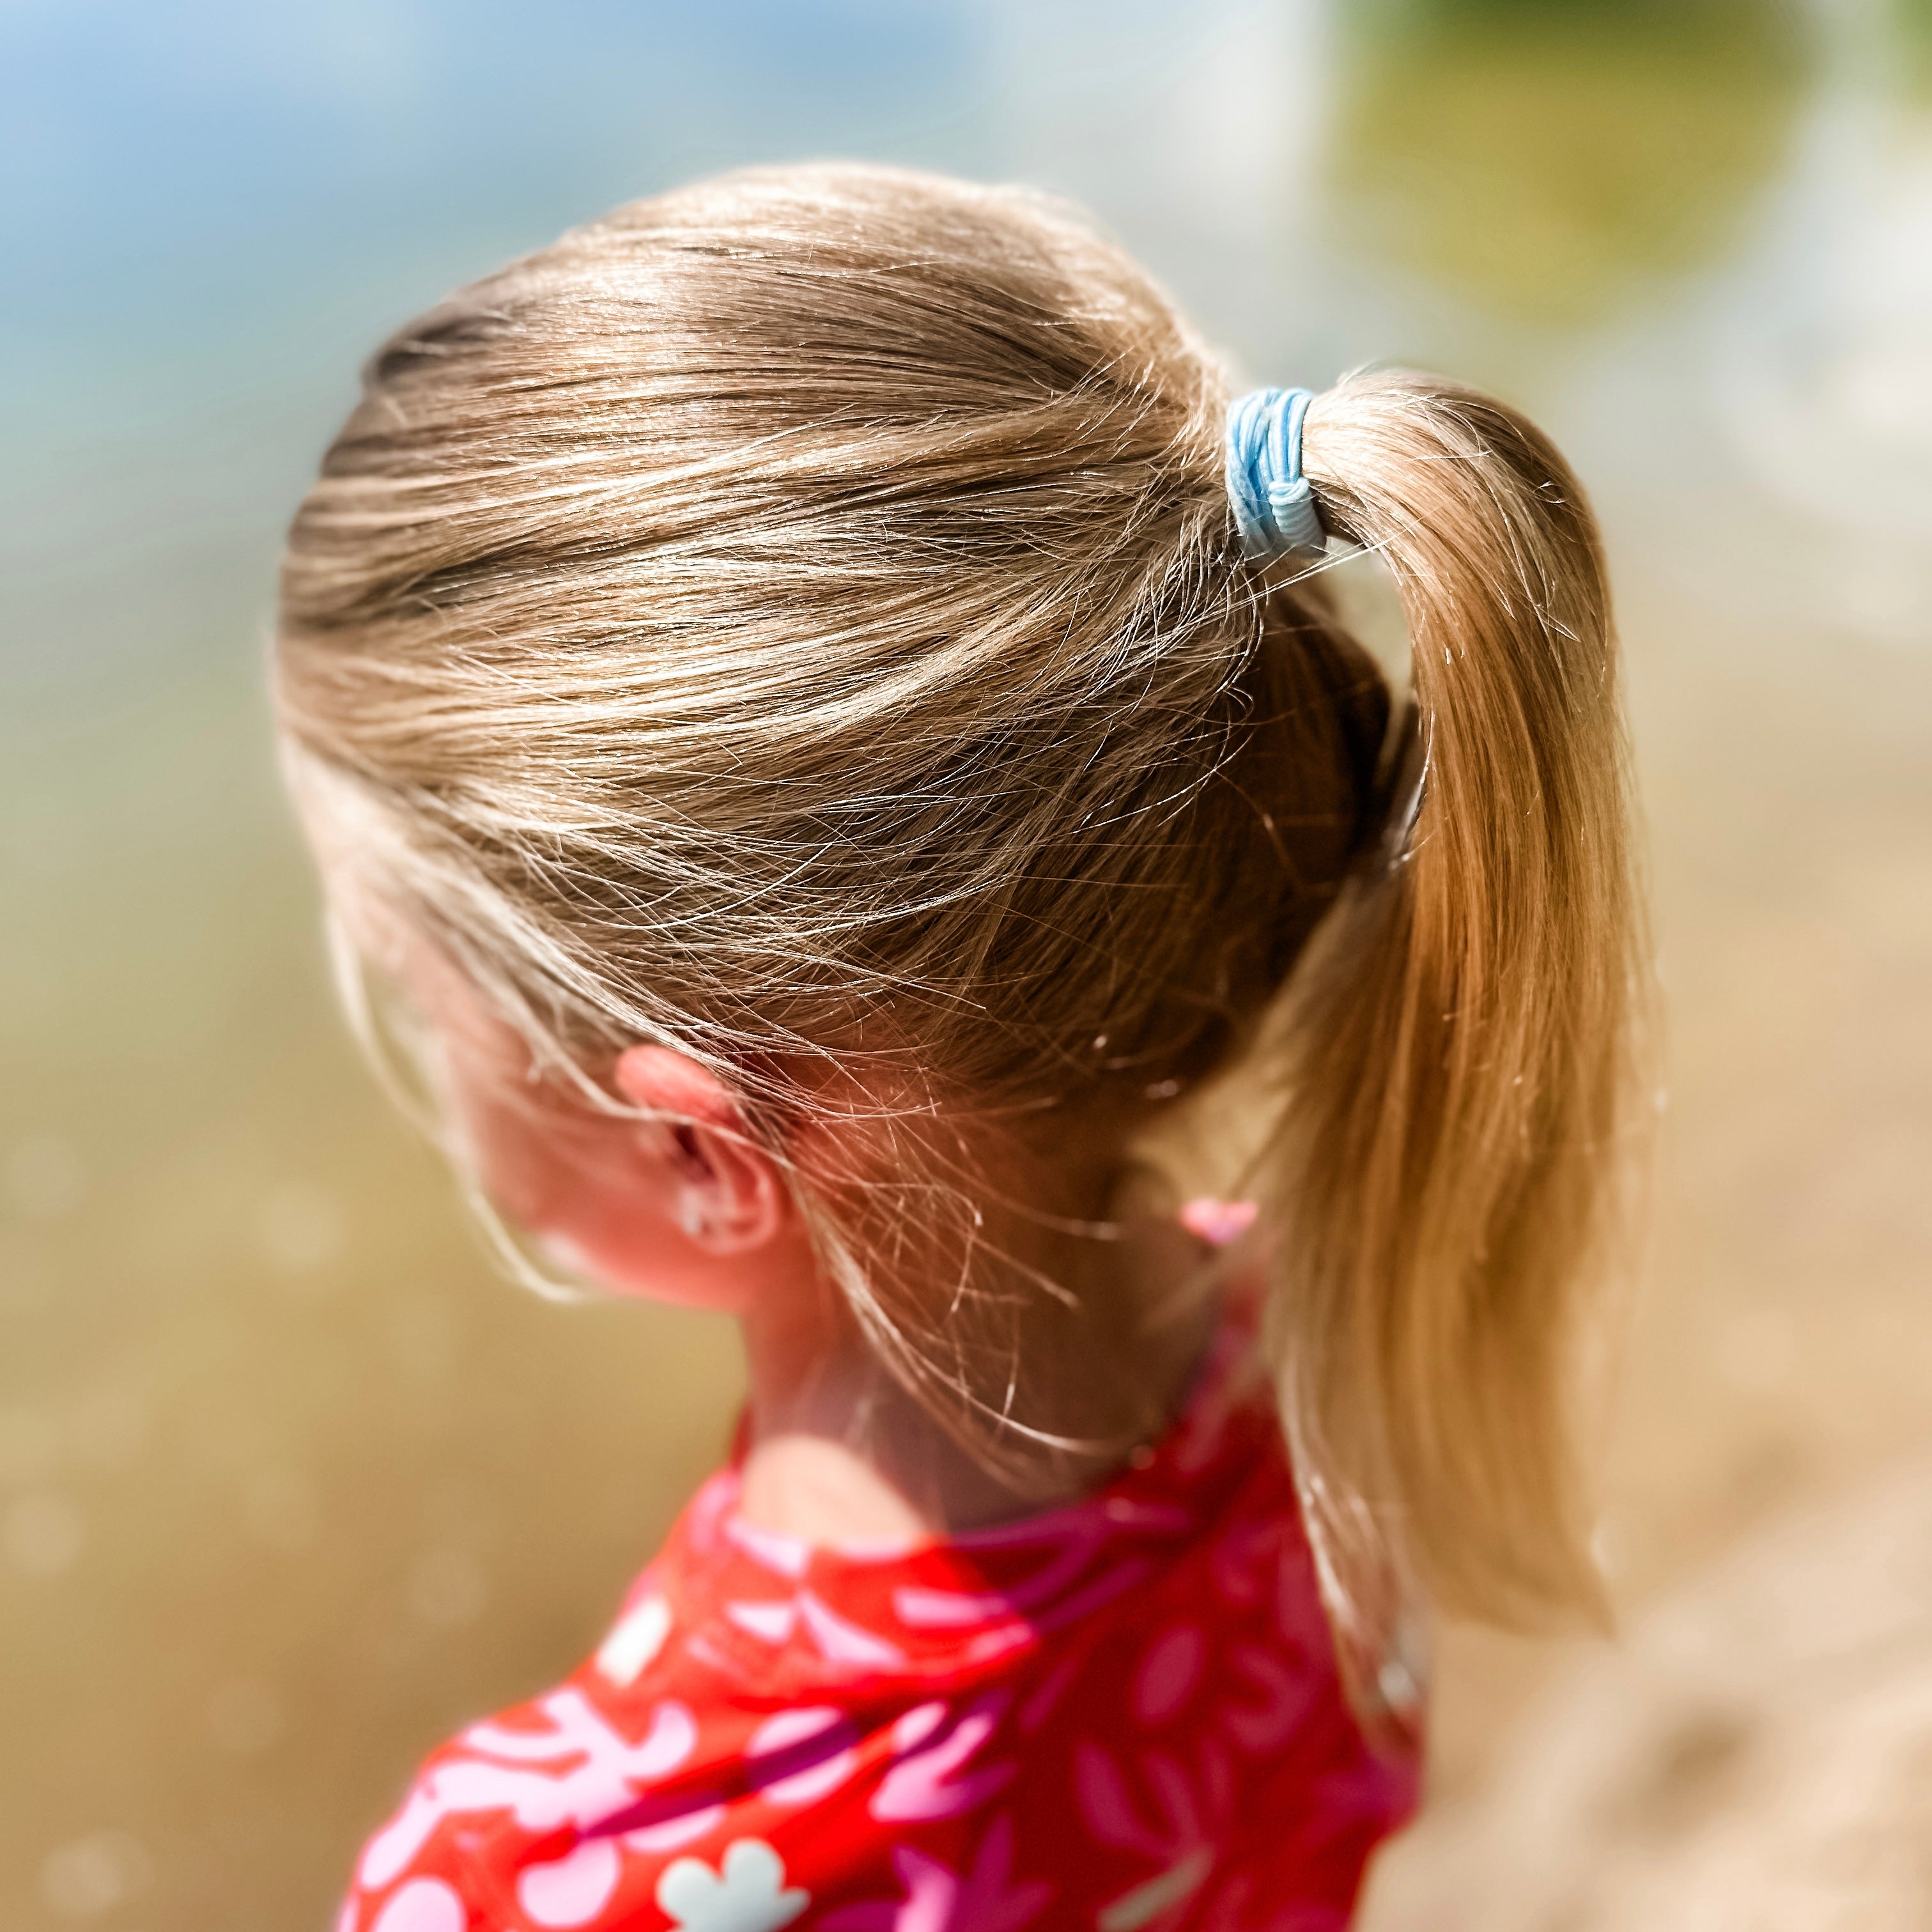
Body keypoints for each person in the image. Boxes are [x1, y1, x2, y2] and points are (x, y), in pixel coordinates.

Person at [275, 162, 1641, 1932]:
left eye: (418, 990)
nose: (430, 1075)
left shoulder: (540, 1873)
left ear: (704, 1152)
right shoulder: (1330, 1373)